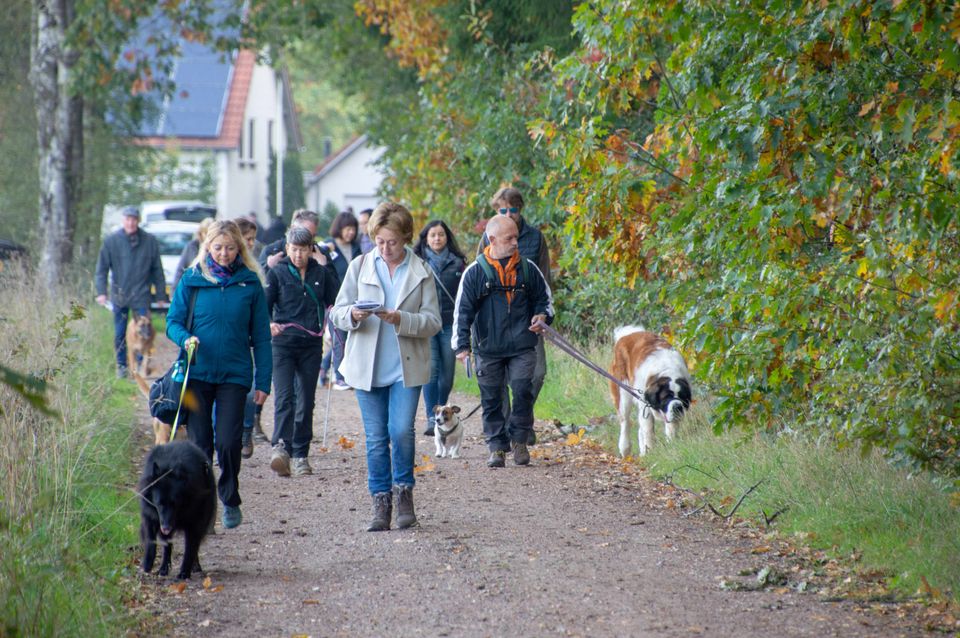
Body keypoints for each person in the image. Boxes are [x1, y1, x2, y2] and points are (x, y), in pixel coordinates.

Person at [330, 202, 441, 532]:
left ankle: (404, 493)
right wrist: (352, 315)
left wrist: (401, 319)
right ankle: (380, 501)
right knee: (376, 437)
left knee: (400, 431)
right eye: (379, 241)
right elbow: (337, 311)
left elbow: (433, 322)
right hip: (367, 366)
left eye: (392, 241)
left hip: (405, 367)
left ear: (405, 237)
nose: (385, 248)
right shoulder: (360, 266)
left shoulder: (421, 271)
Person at [166, 220, 272, 529]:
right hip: (196, 373)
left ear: (240, 248)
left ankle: (230, 496)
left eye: (229, 248)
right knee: (201, 445)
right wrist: (185, 338)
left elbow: (262, 338)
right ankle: (205, 504)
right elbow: (173, 321)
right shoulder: (192, 279)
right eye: (217, 248)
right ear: (207, 248)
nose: (224, 254)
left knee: (228, 442)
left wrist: (263, 381)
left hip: (234, 375)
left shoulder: (250, 283)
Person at [453, 214, 554, 468]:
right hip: (488, 347)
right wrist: (462, 345)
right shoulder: (475, 273)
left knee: (522, 392)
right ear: (492, 239)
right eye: (509, 238)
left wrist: (542, 316)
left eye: (516, 238)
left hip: (523, 345)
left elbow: (546, 301)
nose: (515, 243)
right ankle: (497, 447)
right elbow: (462, 311)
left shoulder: (529, 269)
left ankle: (519, 441)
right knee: (492, 398)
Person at [476, 187, 553, 443]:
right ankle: (513, 427)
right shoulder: (488, 238)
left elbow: (544, 279)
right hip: (495, 320)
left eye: (514, 209)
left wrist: (543, 313)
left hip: (529, 318)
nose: (509, 213)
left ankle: (520, 418)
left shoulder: (535, 238)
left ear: (521, 210)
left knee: (536, 373)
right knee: (499, 378)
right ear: (496, 211)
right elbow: (477, 276)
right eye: (503, 210)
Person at [265, 226, 339, 477]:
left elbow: (335, 299)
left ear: (311, 249)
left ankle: (300, 454)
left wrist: (326, 264)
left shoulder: (320, 272)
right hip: (283, 344)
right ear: (287, 249)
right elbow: (264, 306)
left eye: (303, 250)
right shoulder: (276, 273)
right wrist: (269, 323)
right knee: (284, 397)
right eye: (294, 250)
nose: (298, 255)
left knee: (306, 400)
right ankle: (281, 447)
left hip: (310, 344)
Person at [95, 206, 168, 378]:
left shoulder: (149, 241)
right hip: (119, 295)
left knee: (146, 332)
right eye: (128, 219)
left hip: (142, 294)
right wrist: (101, 292)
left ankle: (142, 367)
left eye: (134, 219)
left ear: (138, 220)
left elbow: (158, 269)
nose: (131, 222)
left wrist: (160, 295)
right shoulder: (111, 241)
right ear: (123, 220)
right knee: (120, 333)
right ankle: (122, 366)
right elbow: (101, 269)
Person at [412, 220, 466, 436]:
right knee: (431, 372)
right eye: (432, 235)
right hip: (426, 323)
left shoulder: (459, 263)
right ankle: (431, 419)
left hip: (449, 324)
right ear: (425, 238)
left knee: (448, 374)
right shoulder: (417, 262)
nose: (437, 238)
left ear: (447, 237)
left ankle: (443, 412)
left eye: (441, 234)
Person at [235, 217, 267, 456]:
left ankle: (246, 430)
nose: (252, 243)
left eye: (253, 239)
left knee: (249, 389)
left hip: (250, 339)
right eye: (248, 239)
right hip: (229, 340)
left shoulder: (254, 270)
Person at [320, 211, 361, 391]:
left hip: (356, 299)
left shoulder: (357, 248)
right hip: (335, 299)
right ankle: (340, 375)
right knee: (338, 337)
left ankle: (345, 372)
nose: (350, 232)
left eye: (353, 229)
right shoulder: (328, 246)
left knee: (353, 338)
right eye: (347, 229)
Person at [172, 216, 215, 292]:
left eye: (211, 233)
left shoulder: (220, 249)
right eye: (206, 233)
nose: (209, 237)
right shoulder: (192, 246)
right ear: (201, 233)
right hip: (193, 289)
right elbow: (180, 270)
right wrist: (174, 292)